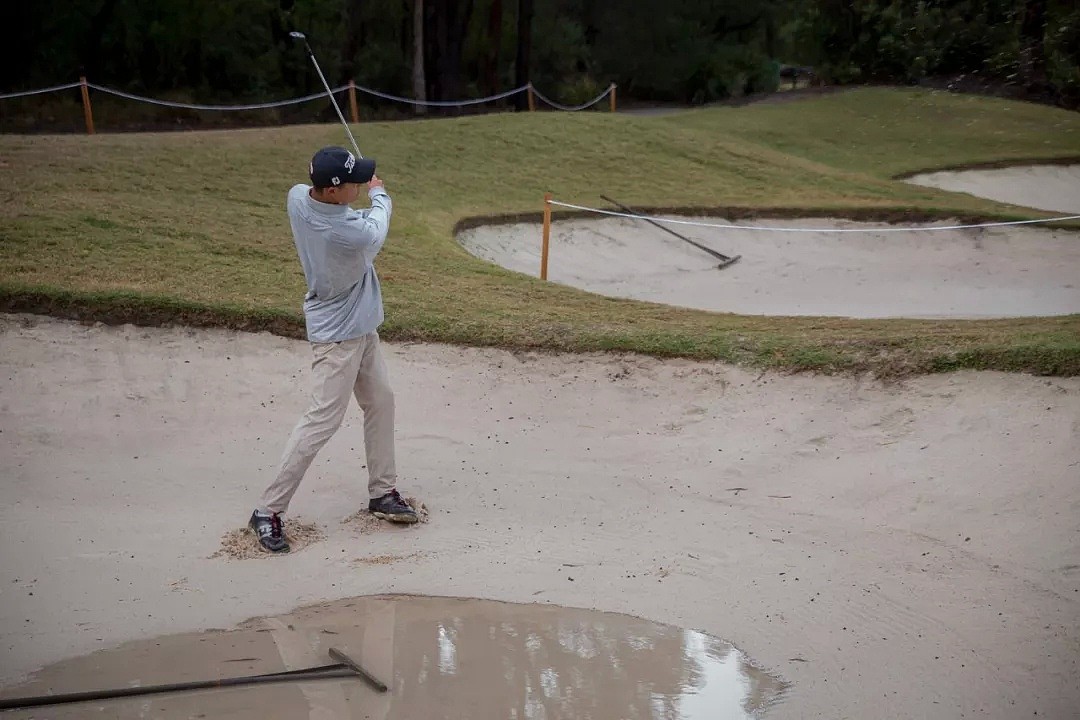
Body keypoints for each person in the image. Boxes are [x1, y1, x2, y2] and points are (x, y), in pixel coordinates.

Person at [249, 145, 418, 553]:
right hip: (338, 335)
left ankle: (382, 492)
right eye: (354, 181)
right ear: (329, 191)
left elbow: (350, 215)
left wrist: (361, 190)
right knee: (321, 421)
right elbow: (375, 228)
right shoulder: (348, 232)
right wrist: (381, 194)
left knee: (381, 401)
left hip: (361, 326)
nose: (361, 183)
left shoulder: (297, 196)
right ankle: (267, 511)